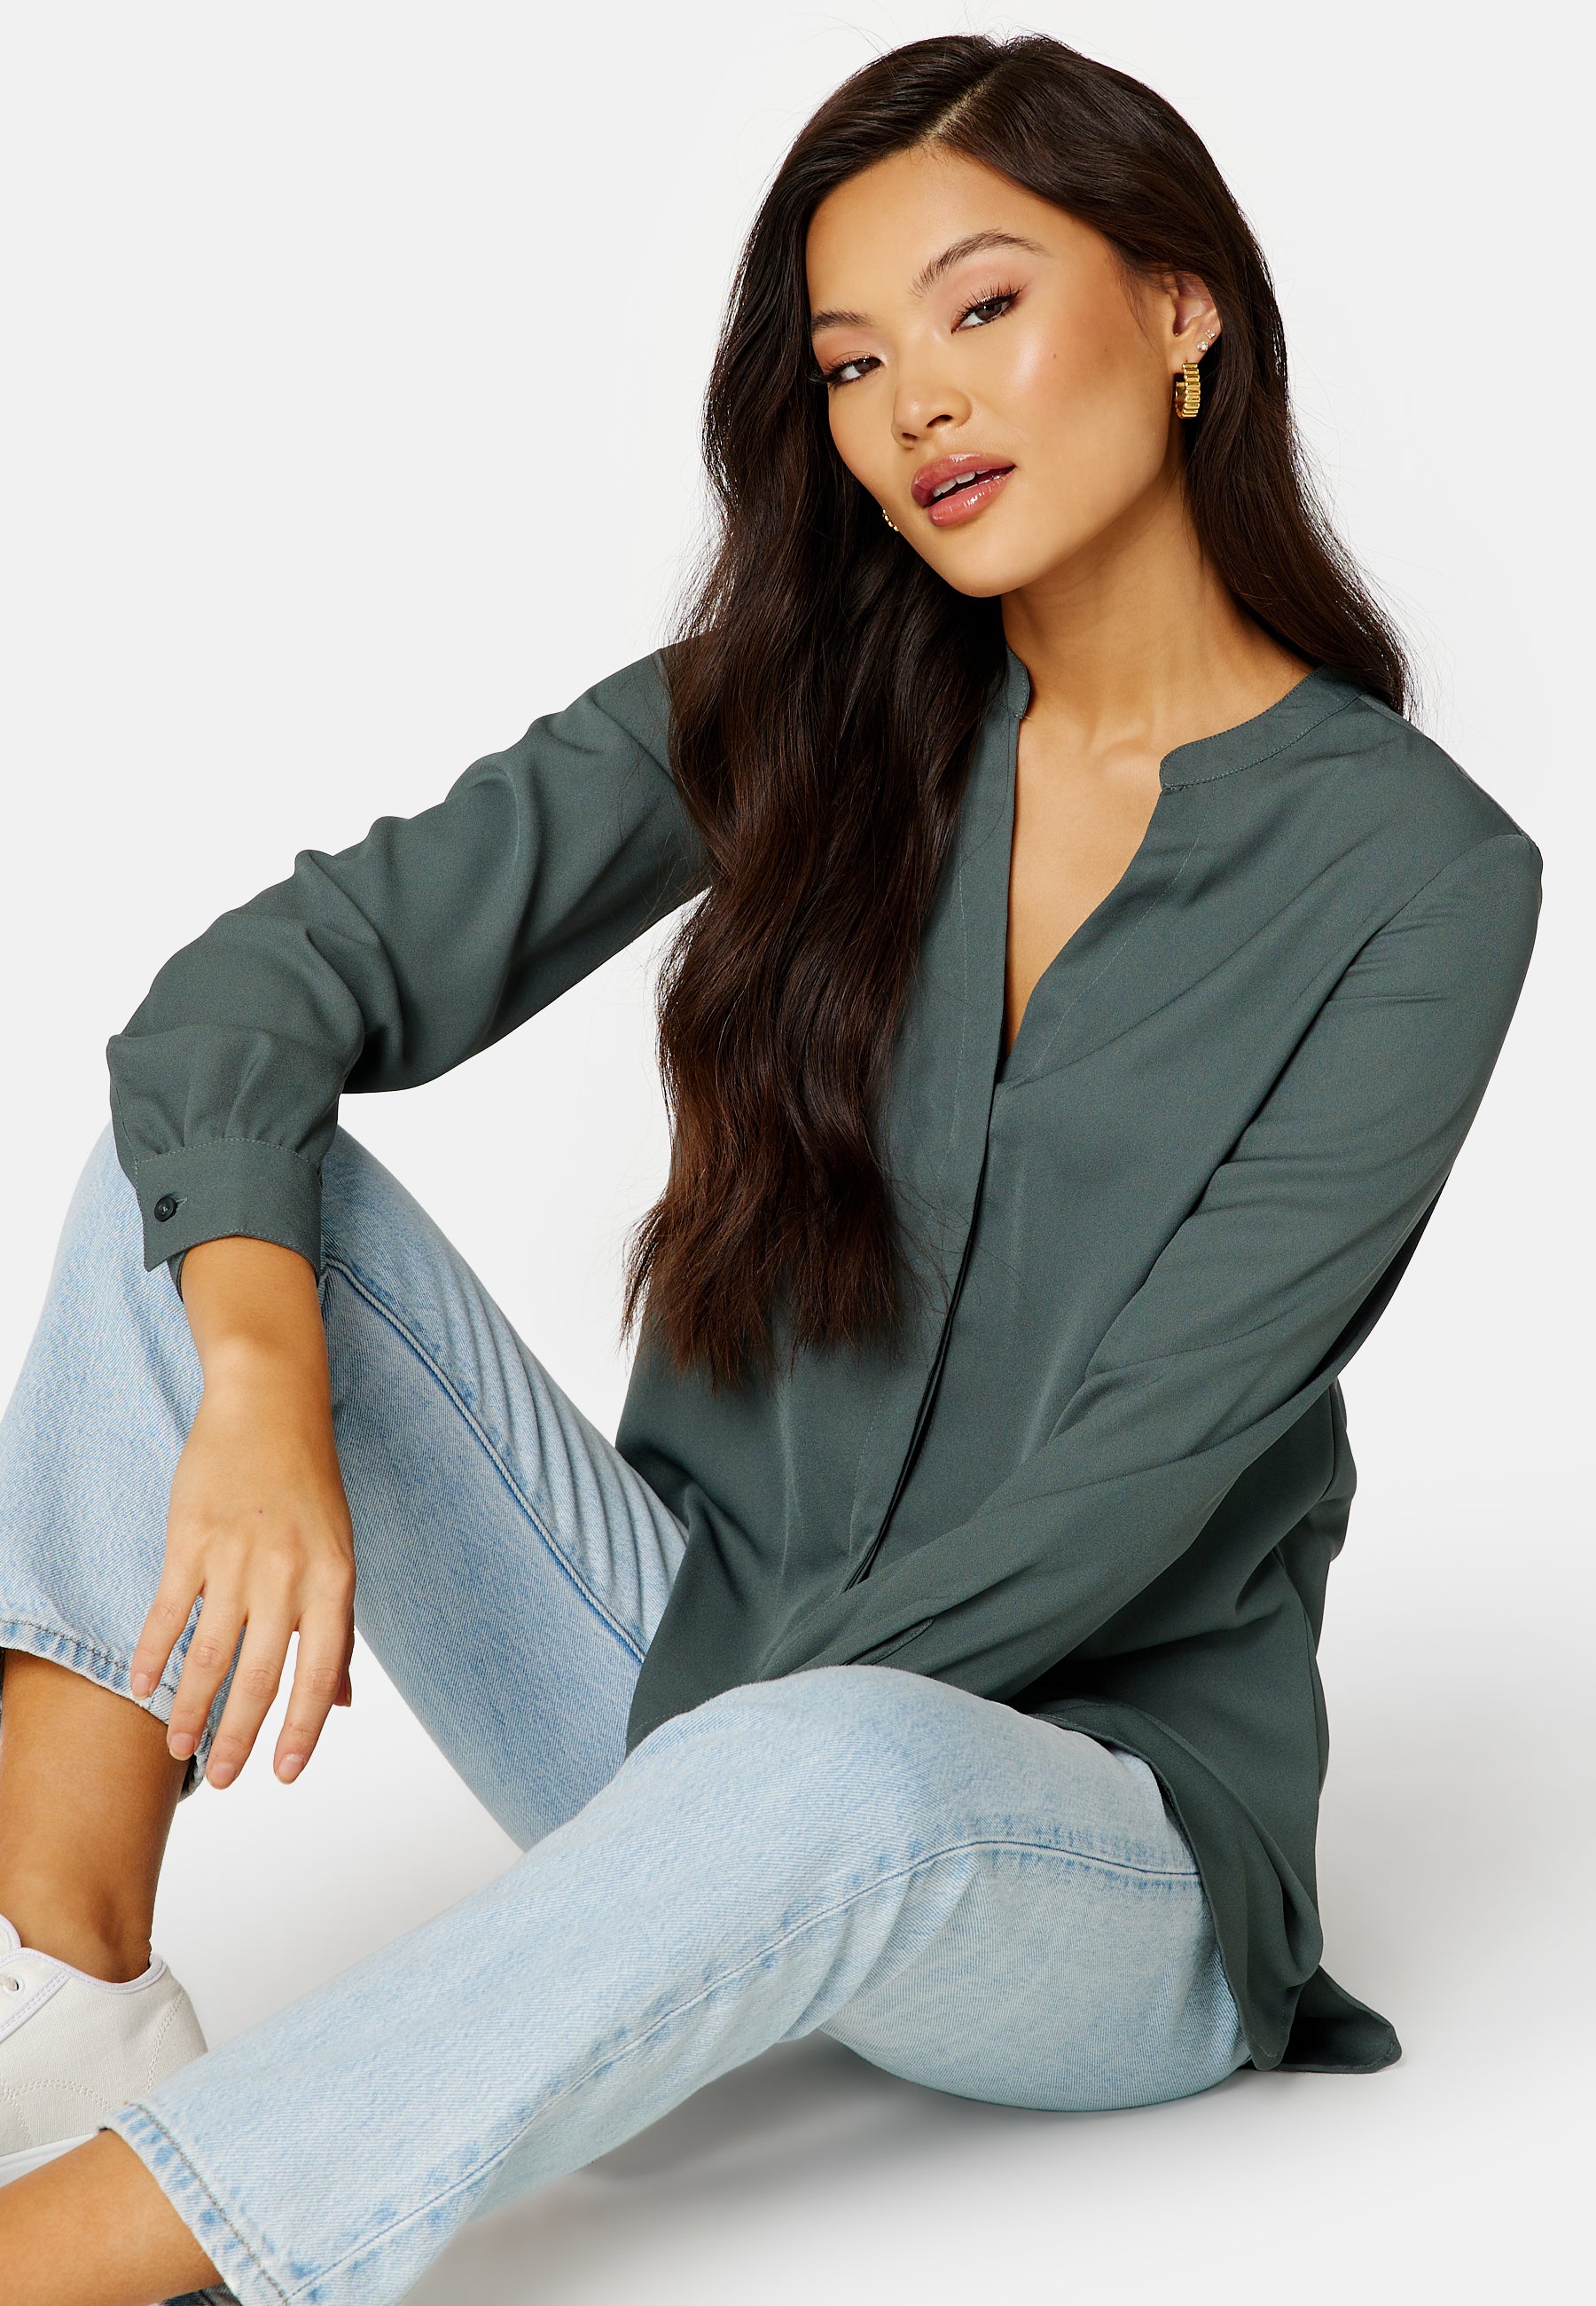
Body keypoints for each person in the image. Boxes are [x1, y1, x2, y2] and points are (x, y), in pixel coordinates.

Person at [0, 30, 1539, 2305]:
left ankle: (72, 2252)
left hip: (1084, 1846)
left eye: (983, 304)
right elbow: (249, 999)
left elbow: (1135, 1477)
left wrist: (688, 1849)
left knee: (828, 1776)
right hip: (682, 1687)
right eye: (852, 361)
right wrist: (258, 1379)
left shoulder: (1422, 881)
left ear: (1180, 307)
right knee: (209, 1202)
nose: (920, 403)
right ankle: (60, 2002)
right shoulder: (798, 704)